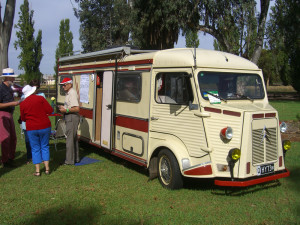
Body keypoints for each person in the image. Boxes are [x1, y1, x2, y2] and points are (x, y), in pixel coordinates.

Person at [20, 85, 53, 176]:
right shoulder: (41, 98)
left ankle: (38, 171)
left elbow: (23, 118)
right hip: (44, 125)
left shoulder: (23, 103)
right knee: (45, 146)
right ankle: (47, 169)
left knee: (35, 148)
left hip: (31, 127)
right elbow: (50, 110)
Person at [19, 82, 46, 164]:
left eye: (37, 88)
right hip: (27, 124)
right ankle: (29, 157)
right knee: (28, 141)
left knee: (38, 142)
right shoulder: (23, 97)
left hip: (37, 123)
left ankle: (39, 157)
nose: (36, 90)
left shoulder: (41, 96)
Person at [0, 68, 20, 167]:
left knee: (13, 138)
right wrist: (12, 103)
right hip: (2, 114)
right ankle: (5, 159)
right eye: (12, 77)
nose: (13, 79)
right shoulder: (1, 89)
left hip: (9, 114)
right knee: (5, 138)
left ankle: (10, 157)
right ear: (7, 77)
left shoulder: (9, 89)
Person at [58, 77, 80, 165]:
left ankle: (69, 160)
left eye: (64, 85)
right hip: (70, 117)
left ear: (70, 84)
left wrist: (65, 110)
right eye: (62, 85)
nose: (63, 87)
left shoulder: (72, 93)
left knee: (69, 140)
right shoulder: (68, 93)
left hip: (72, 117)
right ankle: (76, 158)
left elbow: (76, 108)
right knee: (73, 139)